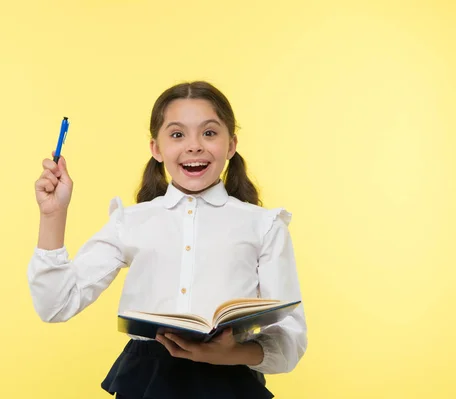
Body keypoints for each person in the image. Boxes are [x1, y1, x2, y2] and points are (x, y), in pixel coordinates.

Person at [28, 81, 307, 399]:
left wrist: (226, 353)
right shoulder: (130, 221)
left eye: (210, 133)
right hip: (147, 383)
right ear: (156, 148)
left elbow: (290, 340)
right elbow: (55, 305)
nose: (194, 146)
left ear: (231, 145)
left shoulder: (265, 225)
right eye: (177, 134)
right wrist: (53, 215)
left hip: (230, 384)